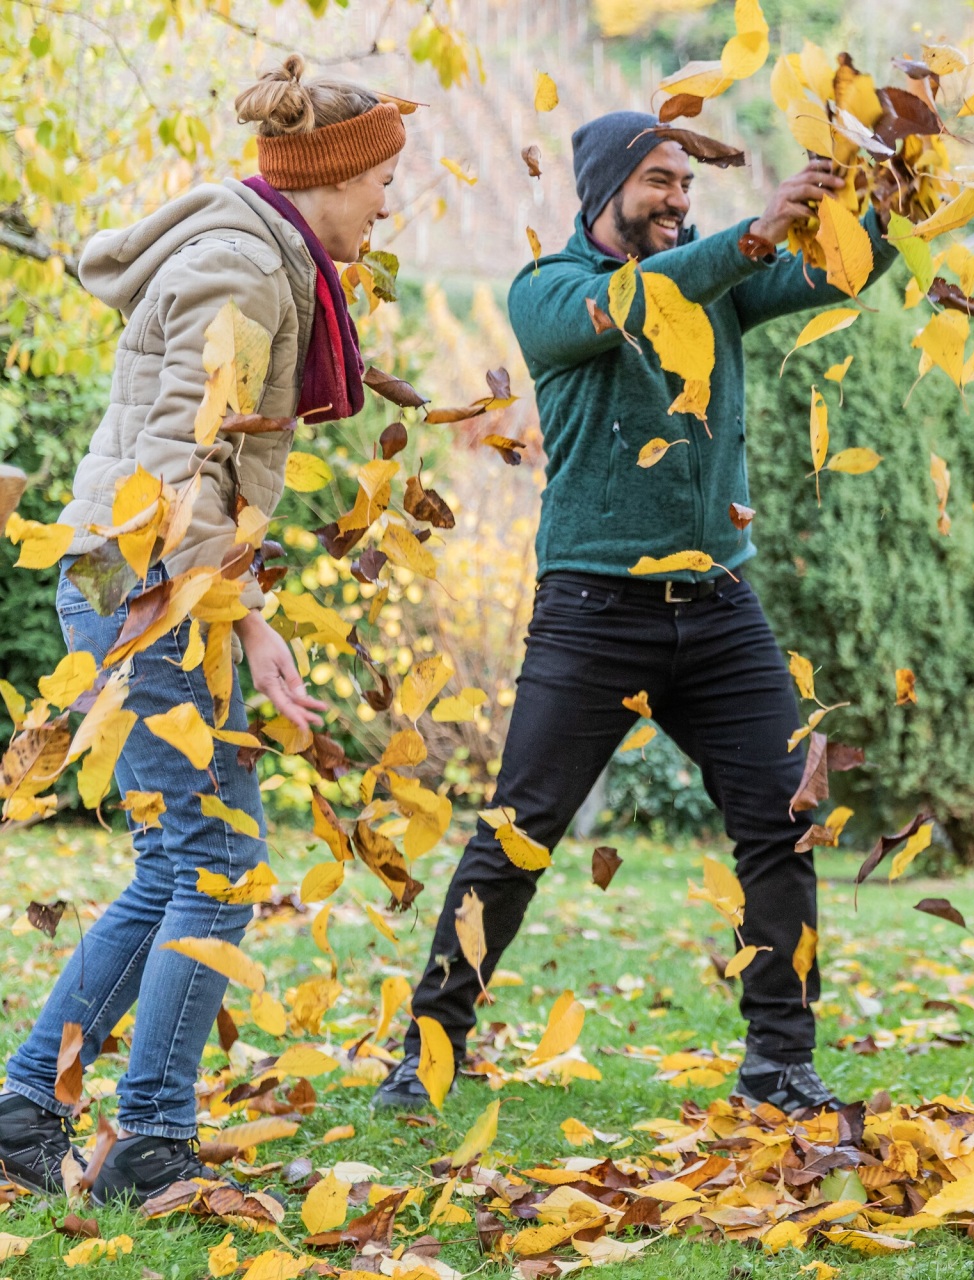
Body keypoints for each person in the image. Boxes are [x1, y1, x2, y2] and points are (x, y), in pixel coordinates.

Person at [372, 112, 899, 1115]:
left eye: (687, 185)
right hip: (591, 608)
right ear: (603, 188)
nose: (677, 199)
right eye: (660, 180)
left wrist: (888, 193)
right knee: (518, 832)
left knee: (783, 821)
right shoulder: (549, 292)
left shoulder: (716, 295)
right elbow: (631, 304)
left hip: (720, 601)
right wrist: (748, 234)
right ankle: (430, 1047)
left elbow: (834, 272)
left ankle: (778, 1064)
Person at [0, 56, 403, 1200]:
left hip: (148, 583)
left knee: (183, 857)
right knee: (217, 857)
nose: (390, 202)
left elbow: (211, 469)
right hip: (150, 585)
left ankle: (28, 1113)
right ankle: (150, 1140)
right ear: (327, 176)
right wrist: (247, 617)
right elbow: (182, 479)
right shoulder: (238, 270)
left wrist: (250, 616)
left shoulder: (261, 253)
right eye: (380, 177)